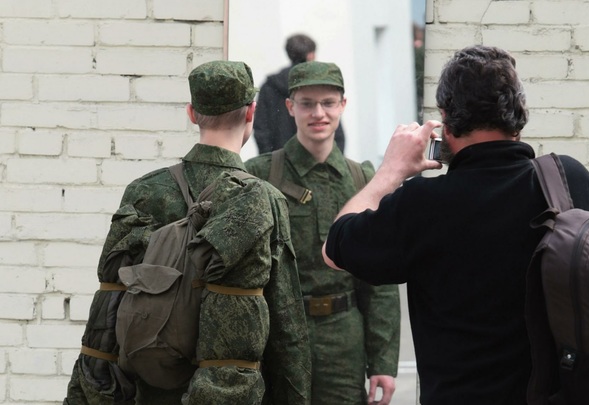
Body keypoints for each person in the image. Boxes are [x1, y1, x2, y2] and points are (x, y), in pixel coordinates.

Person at [321, 45, 589, 405]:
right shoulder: (566, 181)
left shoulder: (423, 204)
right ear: (518, 116)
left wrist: (392, 171)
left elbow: (335, 248)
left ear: (447, 122)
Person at [64, 60, 311, 405]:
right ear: (251, 111)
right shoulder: (264, 200)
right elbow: (286, 328)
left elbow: (108, 304)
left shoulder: (145, 190)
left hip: (150, 389)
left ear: (192, 113)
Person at [246, 61, 400, 405]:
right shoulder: (258, 175)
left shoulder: (362, 180)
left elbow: (380, 282)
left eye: (328, 103)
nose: (319, 113)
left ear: (342, 105)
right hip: (277, 335)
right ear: (290, 107)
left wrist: (383, 363)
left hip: (342, 339)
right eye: (307, 103)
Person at [253, 33, 346, 154]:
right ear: (311, 55)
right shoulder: (321, 85)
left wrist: (268, 159)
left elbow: (261, 128)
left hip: (277, 159)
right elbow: (335, 129)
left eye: (328, 103)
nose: (318, 113)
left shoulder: (269, 86)